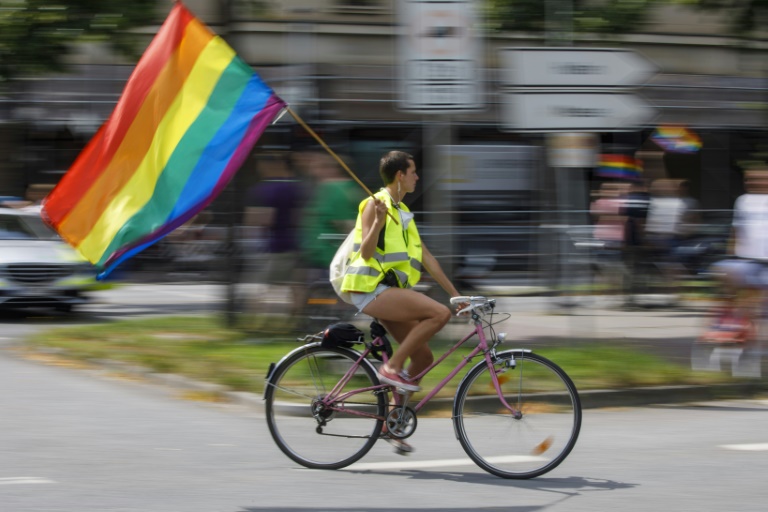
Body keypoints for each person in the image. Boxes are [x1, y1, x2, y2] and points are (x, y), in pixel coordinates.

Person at [340, 151, 465, 449]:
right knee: (438, 315)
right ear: (400, 175)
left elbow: (427, 258)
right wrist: (377, 223)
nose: (417, 177)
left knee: (423, 357)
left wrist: (455, 294)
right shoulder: (374, 204)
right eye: (413, 172)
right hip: (369, 288)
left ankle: (393, 425)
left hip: (389, 292)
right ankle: (391, 368)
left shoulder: (403, 212)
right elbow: (367, 253)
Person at [702, 170, 768, 343]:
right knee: (723, 271)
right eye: (750, 179)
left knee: (754, 293)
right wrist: (732, 251)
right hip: (747, 259)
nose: (753, 182)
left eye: (760, 179)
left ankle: (743, 325)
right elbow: (737, 228)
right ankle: (734, 324)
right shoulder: (743, 201)